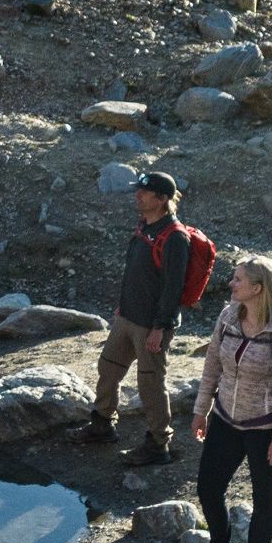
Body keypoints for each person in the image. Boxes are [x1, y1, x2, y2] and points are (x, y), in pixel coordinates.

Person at [179, 255, 272, 543]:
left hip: (266, 429)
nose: (231, 284)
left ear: (258, 287)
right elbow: (212, 367)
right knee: (208, 486)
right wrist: (200, 410)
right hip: (225, 419)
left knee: (265, 496)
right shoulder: (228, 316)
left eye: (238, 279)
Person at [74, 170, 192, 465]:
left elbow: (172, 289)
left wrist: (160, 327)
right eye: (137, 191)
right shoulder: (144, 227)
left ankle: (158, 443)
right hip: (127, 318)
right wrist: (121, 309)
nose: (137, 196)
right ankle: (102, 424)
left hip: (152, 326)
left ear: (162, 199)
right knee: (108, 369)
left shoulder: (175, 237)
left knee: (150, 383)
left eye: (144, 192)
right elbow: (135, 273)